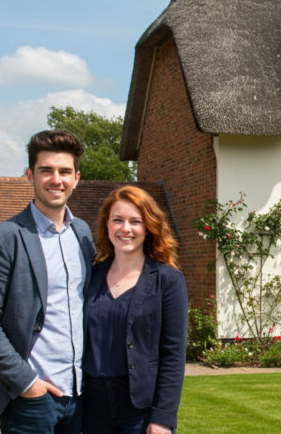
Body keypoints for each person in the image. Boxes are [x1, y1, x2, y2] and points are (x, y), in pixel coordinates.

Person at [0, 130, 94, 434]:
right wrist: (26, 382)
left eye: (64, 171)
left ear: (76, 178)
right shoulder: (4, 238)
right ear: (29, 175)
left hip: (79, 395)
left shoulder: (83, 234)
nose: (56, 180)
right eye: (46, 170)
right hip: (32, 399)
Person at [84, 186, 187, 434]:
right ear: (107, 225)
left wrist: (163, 418)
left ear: (148, 227)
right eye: (117, 220)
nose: (126, 228)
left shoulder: (167, 280)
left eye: (135, 221)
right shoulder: (91, 276)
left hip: (141, 409)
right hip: (92, 406)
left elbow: (174, 354)